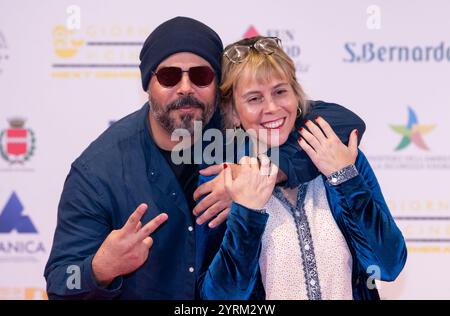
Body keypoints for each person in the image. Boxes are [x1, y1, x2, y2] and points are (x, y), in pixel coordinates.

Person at [44, 17, 366, 300]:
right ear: (148, 83)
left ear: (218, 87)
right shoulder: (100, 169)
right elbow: (61, 281)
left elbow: (344, 122)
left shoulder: (235, 122)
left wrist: (262, 175)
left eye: (200, 75)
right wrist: (99, 269)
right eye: (170, 76)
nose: (186, 88)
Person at [196, 36, 407, 300]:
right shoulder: (223, 179)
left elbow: (388, 265)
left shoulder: (337, 154)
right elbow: (219, 298)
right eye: (254, 98)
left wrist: (345, 179)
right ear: (233, 111)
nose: (272, 108)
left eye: (280, 92)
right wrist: (247, 213)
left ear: (296, 95)